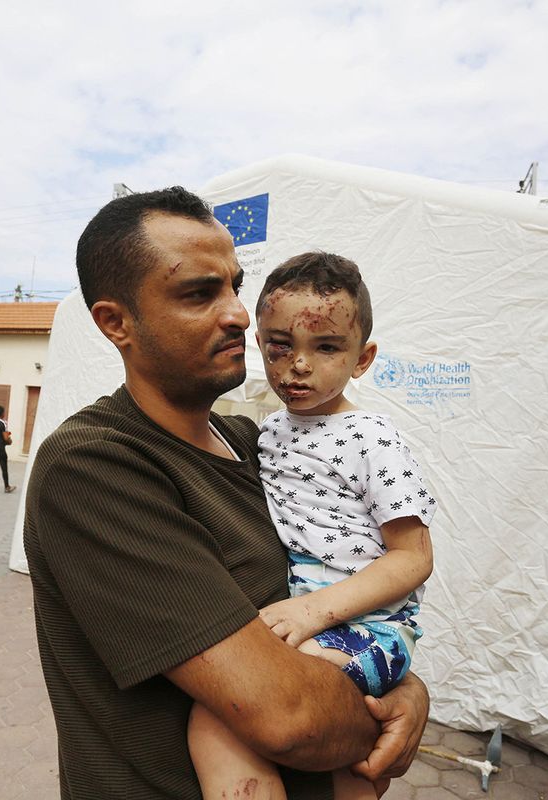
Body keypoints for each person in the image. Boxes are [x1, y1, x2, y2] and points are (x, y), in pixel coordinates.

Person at [24, 187, 429, 800]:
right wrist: (390, 708)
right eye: (198, 292)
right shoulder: (94, 465)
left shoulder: (258, 443)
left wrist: (404, 685)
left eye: (235, 286)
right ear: (116, 322)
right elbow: (289, 718)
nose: (239, 313)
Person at [188, 252, 435, 800]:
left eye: (325, 347)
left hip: (369, 628)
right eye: (281, 345)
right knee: (353, 768)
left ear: (362, 358)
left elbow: (414, 556)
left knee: (222, 719)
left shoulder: (374, 438)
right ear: (260, 345)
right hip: (310, 625)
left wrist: (311, 610)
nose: (298, 365)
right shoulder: (268, 433)